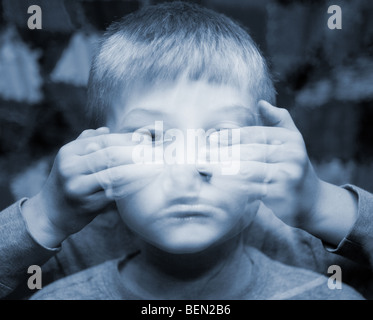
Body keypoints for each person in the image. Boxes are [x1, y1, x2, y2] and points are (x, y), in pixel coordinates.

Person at [1, 2, 372, 299]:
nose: (188, 167)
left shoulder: (312, 266)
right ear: (98, 153)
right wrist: (46, 217)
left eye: (223, 137)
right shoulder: (62, 268)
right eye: (151, 138)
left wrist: (321, 204)